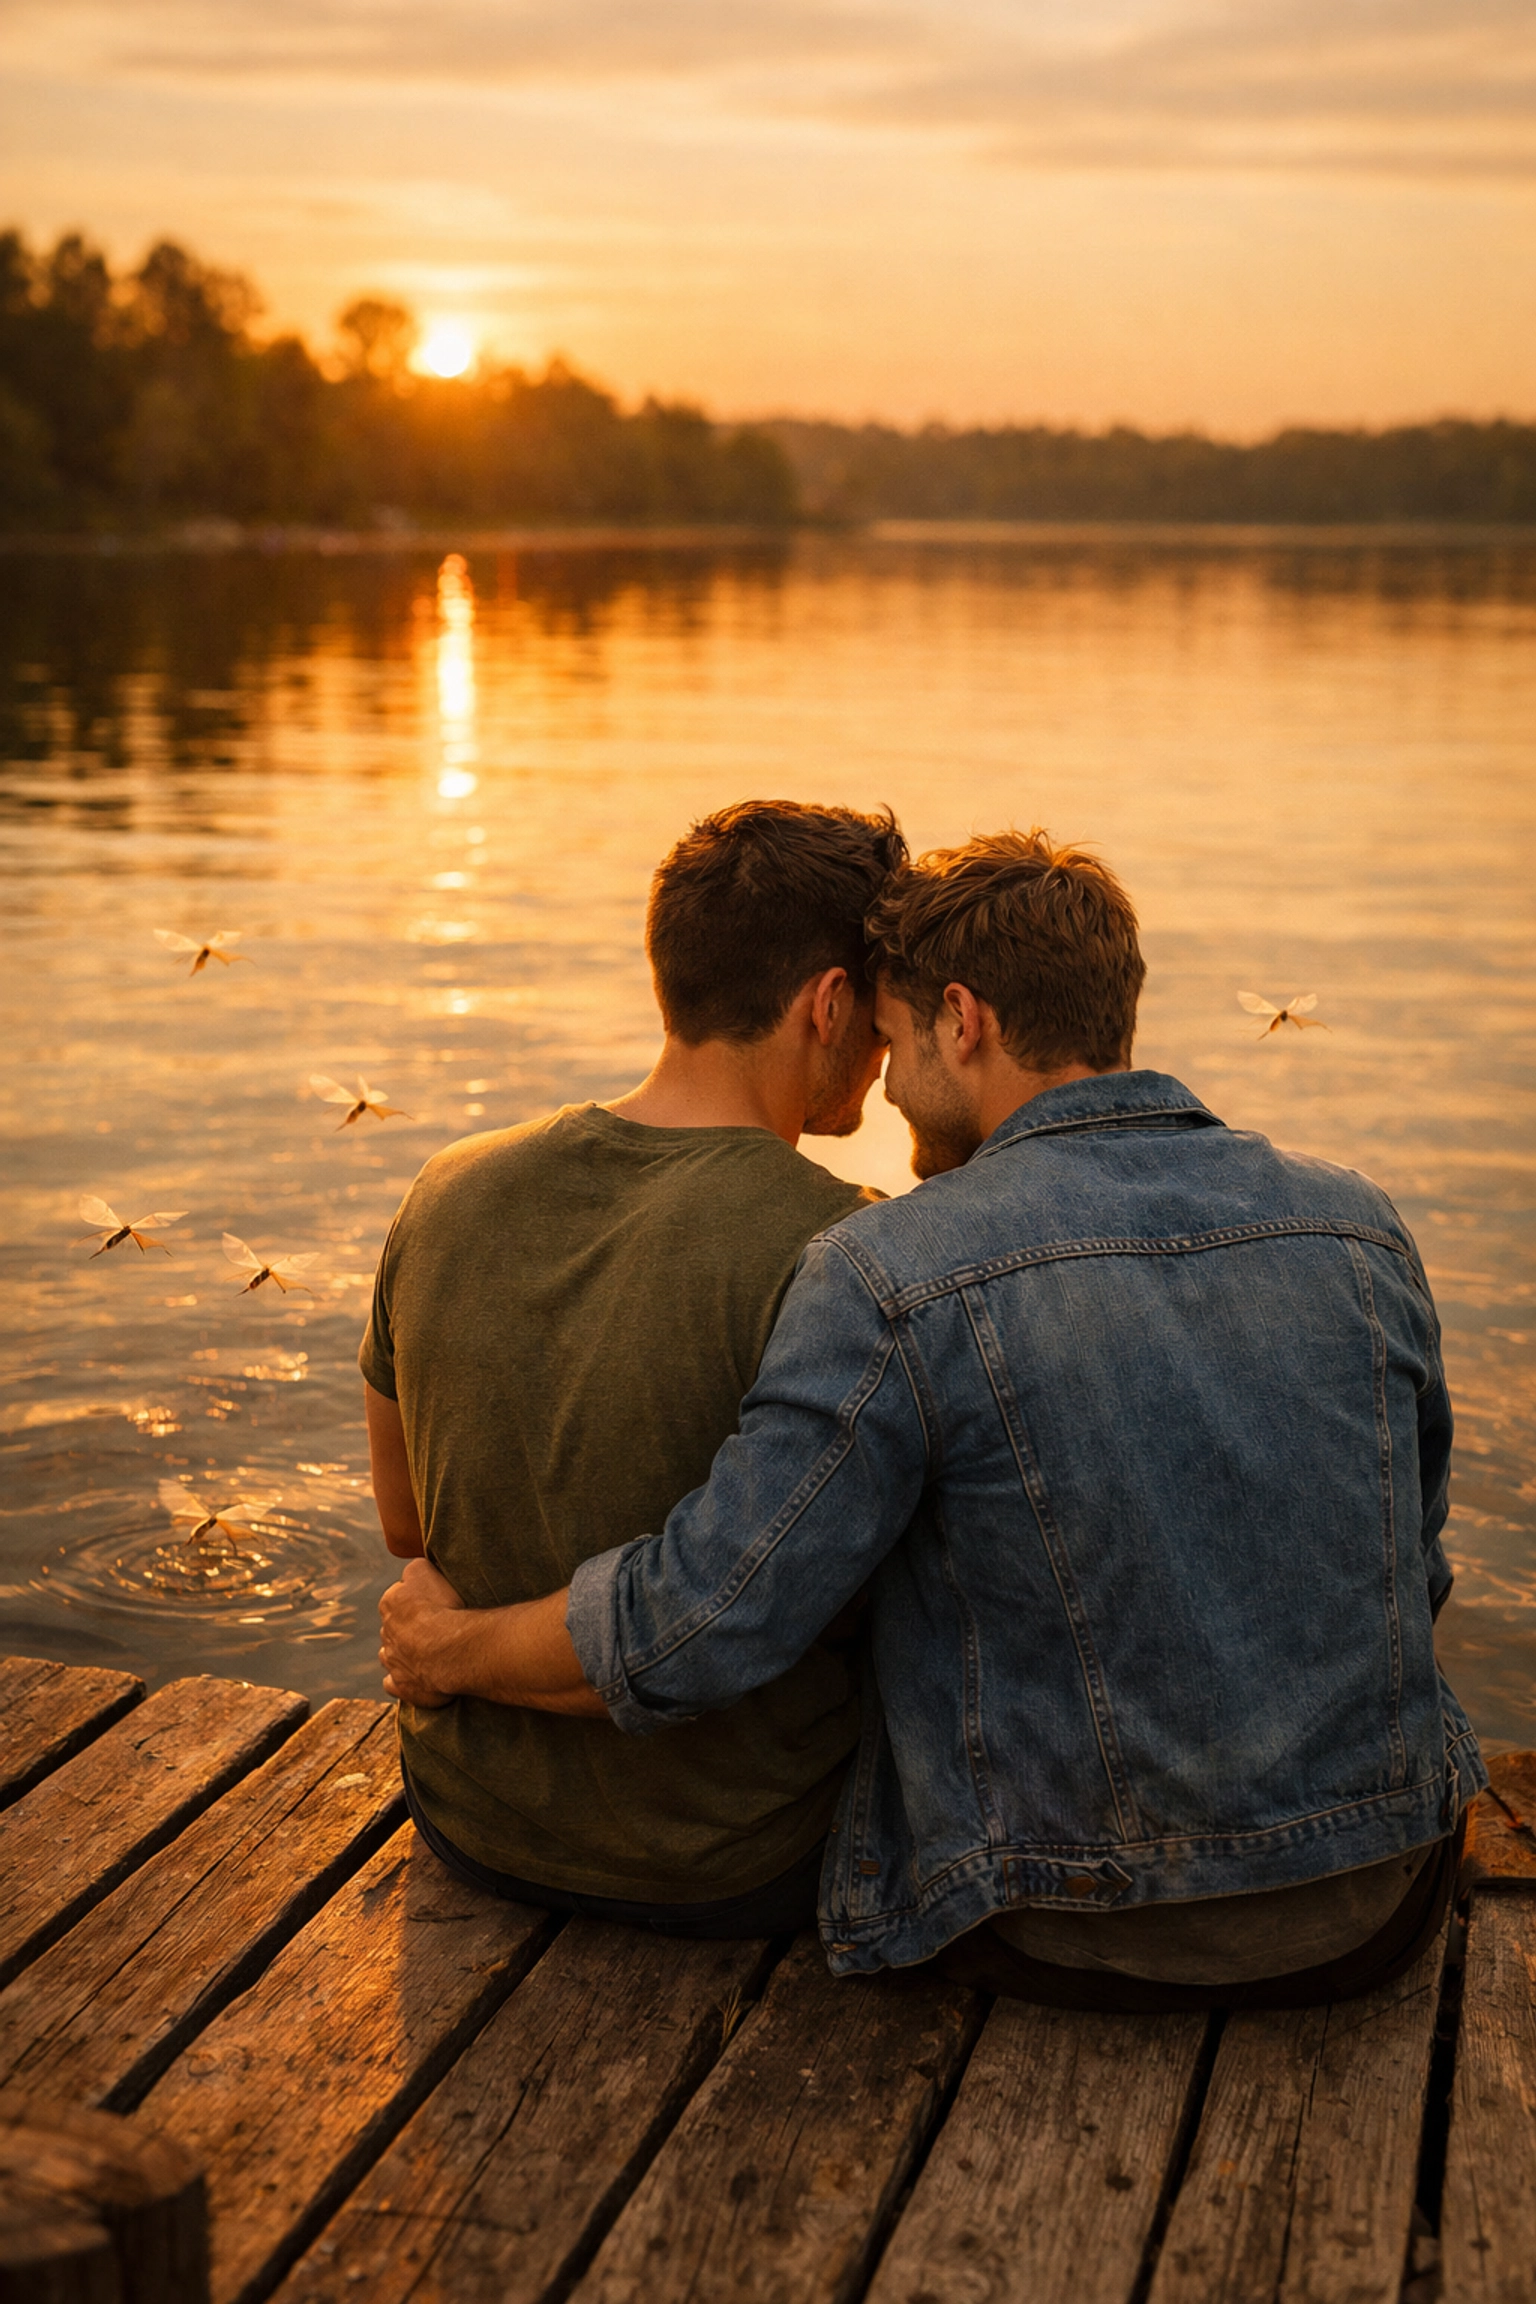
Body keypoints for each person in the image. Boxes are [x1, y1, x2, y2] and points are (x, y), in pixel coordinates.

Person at [380, 828, 1486, 2009]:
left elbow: (710, 1620)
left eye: (898, 1042)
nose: (888, 1085)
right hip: (1379, 1901)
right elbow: (1409, 1573)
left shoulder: (895, 1268)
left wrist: (446, 1650)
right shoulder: (1359, 1224)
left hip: (1068, 1925)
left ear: (962, 1022)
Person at [362, 798, 905, 1936]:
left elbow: (409, 1529)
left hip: (469, 1822)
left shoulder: (445, 1190)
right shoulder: (848, 1249)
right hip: (733, 1861)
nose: (890, 1049)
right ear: (831, 1003)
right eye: (883, 1013)